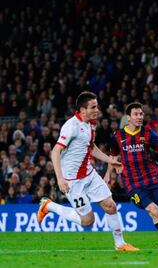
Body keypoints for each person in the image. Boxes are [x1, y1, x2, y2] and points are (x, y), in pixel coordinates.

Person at [37, 91, 138, 252]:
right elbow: (55, 151)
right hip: (72, 181)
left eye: (97, 106)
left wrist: (109, 160)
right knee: (88, 221)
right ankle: (49, 206)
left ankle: (120, 244)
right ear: (82, 110)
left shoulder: (91, 124)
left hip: (89, 174)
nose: (97, 110)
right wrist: (60, 179)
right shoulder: (71, 126)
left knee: (110, 206)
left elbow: (90, 147)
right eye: (93, 107)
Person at [105, 102, 158, 249]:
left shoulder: (148, 133)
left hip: (152, 177)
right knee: (153, 211)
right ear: (128, 118)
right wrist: (107, 176)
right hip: (133, 183)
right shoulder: (117, 136)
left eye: (141, 114)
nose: (139, 117)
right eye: (136, 114)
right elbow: (113, 157)